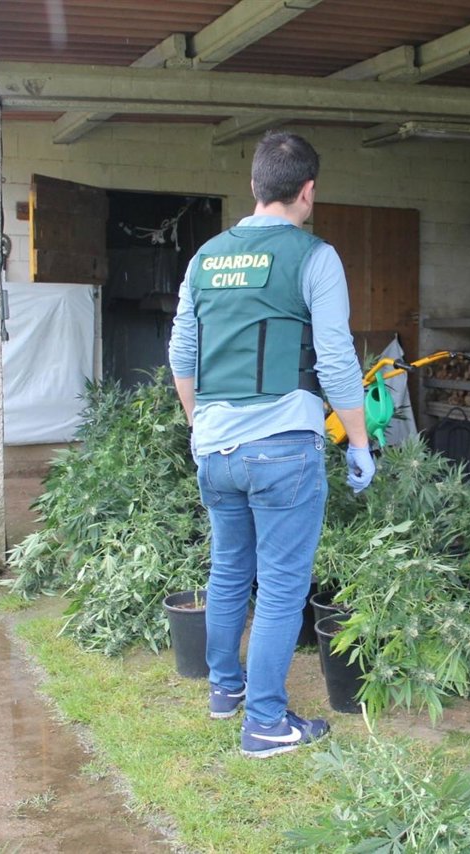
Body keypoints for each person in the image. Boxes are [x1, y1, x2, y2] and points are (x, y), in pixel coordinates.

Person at [167, 131, 375, 759]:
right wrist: (358, 441)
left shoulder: (204, 258)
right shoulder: (316, 257)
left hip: (216, 450)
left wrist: (201, 425)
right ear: (307, 191)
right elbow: (335, 360)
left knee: (230, 569)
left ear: (255, 186)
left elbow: (182, 352)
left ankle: (225, 690)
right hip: (283, 449)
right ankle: (264, 724)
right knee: (283, 586)